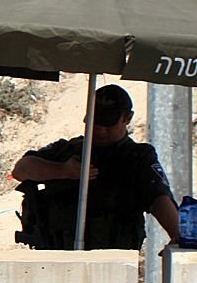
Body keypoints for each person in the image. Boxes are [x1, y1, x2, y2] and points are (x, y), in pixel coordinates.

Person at [11, 84, 179, 250]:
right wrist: (63, 171)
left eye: (107, 125)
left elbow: (158, 198)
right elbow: (21, 169)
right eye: (95, 123)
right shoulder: (68, 150)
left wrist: (177, 234)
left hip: (111, 259)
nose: (100, 131)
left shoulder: (137, 157)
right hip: (57, 257)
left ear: (127, 118)